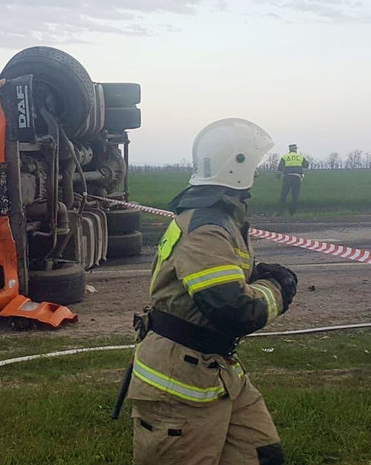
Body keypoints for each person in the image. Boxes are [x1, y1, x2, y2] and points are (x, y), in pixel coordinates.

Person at [128, 118, 297, 465]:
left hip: (217, 369)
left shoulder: (219, 218)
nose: (261, 172)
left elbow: (222, 278)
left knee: (263, 455)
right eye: (256, 163)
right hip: (180, 380)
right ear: (238, 164)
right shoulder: (207, 227)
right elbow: (234, 309)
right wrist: (278, 287)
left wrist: (254, 275)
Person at [277, 143, 309, 216]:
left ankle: (281, 211)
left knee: (284, 194)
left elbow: (280, 168)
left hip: (287, 177)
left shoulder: (285, 157)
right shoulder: (300, 157)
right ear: (295, 149)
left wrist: (278, 176)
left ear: (289, 149)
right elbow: (306, 165)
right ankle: (292, 212)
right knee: (295, 195)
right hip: (297, 177)